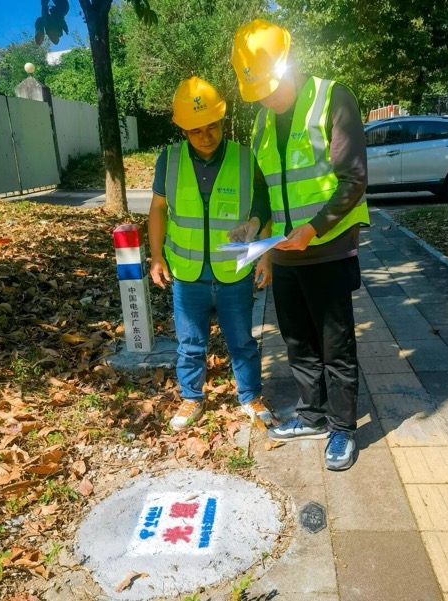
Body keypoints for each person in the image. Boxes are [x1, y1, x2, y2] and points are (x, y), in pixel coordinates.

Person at [230, 19, 370, 470]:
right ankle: (312, 416)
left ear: (288, 64)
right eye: (257, 93)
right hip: (285, 251)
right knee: (297, 341)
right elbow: (264, 187)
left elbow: (354, 179)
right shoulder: (261, 122)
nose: (266, 99)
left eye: (270, 88)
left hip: (327, 248)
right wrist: (256, 223)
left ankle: (343, 428)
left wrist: (312, 228)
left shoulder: (332, 98)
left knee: (335, 344)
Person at [147, 76, 273, 432]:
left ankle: (250, 396)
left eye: (212, 126)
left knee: (243, 342)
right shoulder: (169, 160)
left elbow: (263, 205)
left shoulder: (245, 158)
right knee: (190, 344)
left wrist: (265, 256)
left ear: (221, 119)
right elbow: (158, 209)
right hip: (187, 274)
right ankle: (192, 397)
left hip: (233, 271)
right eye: (196, 130)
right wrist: (156, 256)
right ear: (183, 130)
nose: (206, 136)